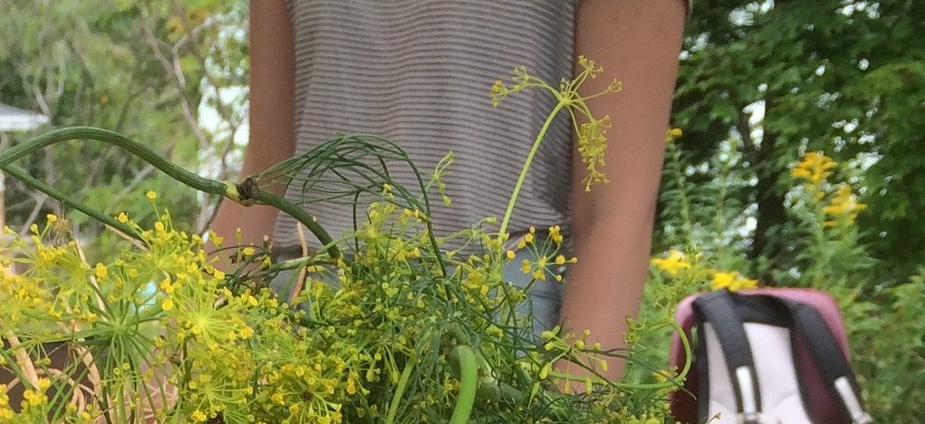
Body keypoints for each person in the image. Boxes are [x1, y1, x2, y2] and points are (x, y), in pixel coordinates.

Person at [204, 0, 688, 369]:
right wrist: (182, 350)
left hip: (492, 343)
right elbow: (267, 175)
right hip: (288, 332)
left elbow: (614, 215)